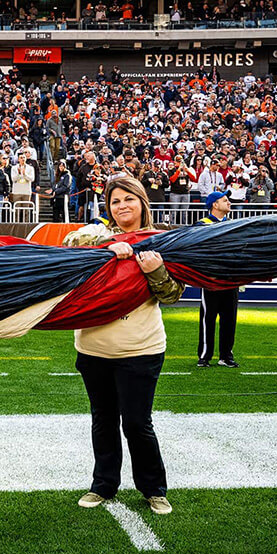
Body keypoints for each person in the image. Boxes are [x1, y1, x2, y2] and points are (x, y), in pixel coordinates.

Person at [63, 177, 183, 514]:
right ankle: (103, 484)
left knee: (136, 422)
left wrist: (156, 270)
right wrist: (104, 251)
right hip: (93, 348)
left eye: (129, 199)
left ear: (142, 202)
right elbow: (67, 273)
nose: (122, 207)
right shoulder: (93, 238)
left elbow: (173, 295)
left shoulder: (162, 240)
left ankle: (154, 488)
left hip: (140, 348)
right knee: (103, 419)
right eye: (115, 202)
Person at [196, 192, 239, 368]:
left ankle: (226, 355)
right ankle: (205, 355)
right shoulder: (201, 225)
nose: (228, 202)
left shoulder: (233, 225)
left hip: (231, 279)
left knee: (230, 318)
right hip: (211, 279)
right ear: (214, 205)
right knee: (208, 318)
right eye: (224, 200)